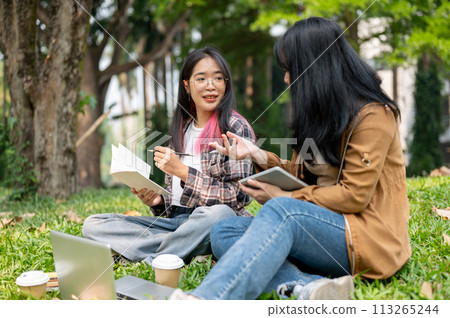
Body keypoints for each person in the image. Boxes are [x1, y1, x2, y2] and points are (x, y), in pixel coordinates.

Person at [171, 17, 411, 300]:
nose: (286, 78)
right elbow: (298, 174)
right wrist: (257, 154)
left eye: (290, 69)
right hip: (319, 232)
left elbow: (354, 196)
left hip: (366, 238)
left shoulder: (373, 115)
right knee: (225, 231)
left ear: (316, 66)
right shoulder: (319, 114)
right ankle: (306, 286)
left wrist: (280, 199)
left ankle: (204, 300)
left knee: (282, 210)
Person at [82, 47, 255, 265]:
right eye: (201, 79)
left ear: (226, 83)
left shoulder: (235, 127)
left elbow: (237, 197)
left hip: (213, 223)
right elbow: (173, 210)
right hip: (178, 227)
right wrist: (157, 201)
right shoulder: (181, 131)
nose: (211, 86)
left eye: (218, 78)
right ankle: (179, 249)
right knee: (93, 224)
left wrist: (183, 172)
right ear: (187, 85)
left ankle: (150, 257)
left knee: (219, 215)